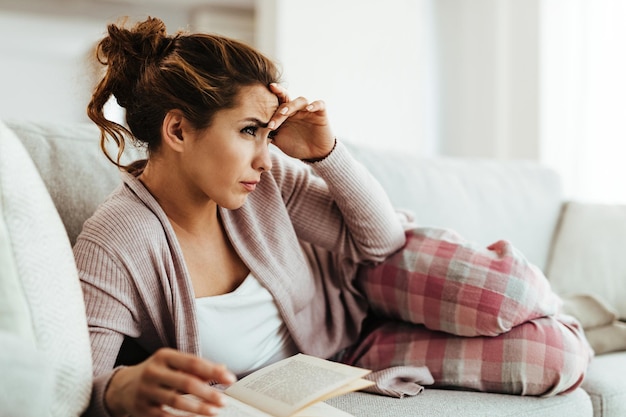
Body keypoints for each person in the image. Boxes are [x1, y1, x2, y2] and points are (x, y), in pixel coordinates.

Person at [75, 16, 592, 417]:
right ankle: (581, 319)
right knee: (558, 359)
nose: (263, 154)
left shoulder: (265, 179)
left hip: (365, 272)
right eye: (248, 130)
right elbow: (78, 388)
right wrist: (120, 391)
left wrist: (327, 152)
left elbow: (381, 241)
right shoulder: (117, 241)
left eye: (265, 132)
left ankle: (562, 305)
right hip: (341, 355)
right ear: (179, 131)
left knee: (507, 296)